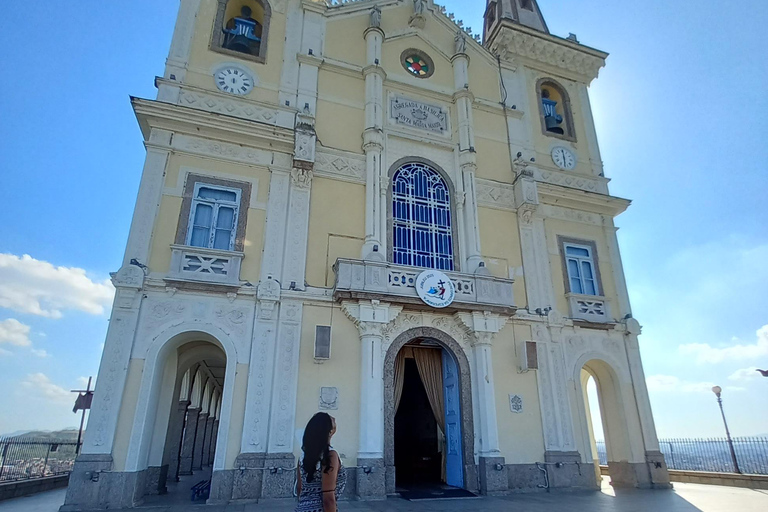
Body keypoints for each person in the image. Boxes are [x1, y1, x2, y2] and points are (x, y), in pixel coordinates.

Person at [296, 413, 346, 512]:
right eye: (332, 420)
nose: (334, 418)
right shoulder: (330, 456)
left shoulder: (303, 456)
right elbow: (328, 497)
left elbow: (299, 488)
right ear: (330, 431)